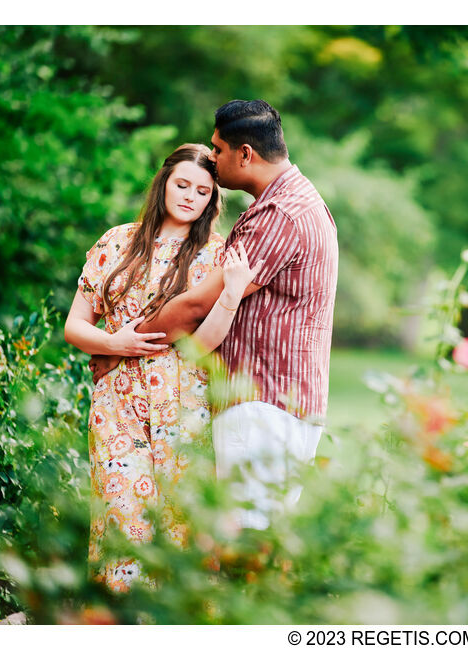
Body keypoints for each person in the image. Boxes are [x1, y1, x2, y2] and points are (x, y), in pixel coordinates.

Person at [91, 100, 338, 530]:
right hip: (281, 403)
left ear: (245, 154)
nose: (213, 158)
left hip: (264, 404)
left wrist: (120, 350)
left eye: (218, 149)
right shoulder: (296, 202)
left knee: (245, 541)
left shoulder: (279, 215)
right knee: (254, 538)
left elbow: (195, 305)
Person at [64, 143, 261, 592]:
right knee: (122, 516)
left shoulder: (216, 255)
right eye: (182, 184)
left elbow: (204, 342)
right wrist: (115, 342)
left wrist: (230, 293)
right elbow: (75, 326)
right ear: (164, 183)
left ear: (213, 200)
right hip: (117, 405)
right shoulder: (116, 242)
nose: (190, 196)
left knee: (180, 523)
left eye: (203, 191)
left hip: (185, 408)